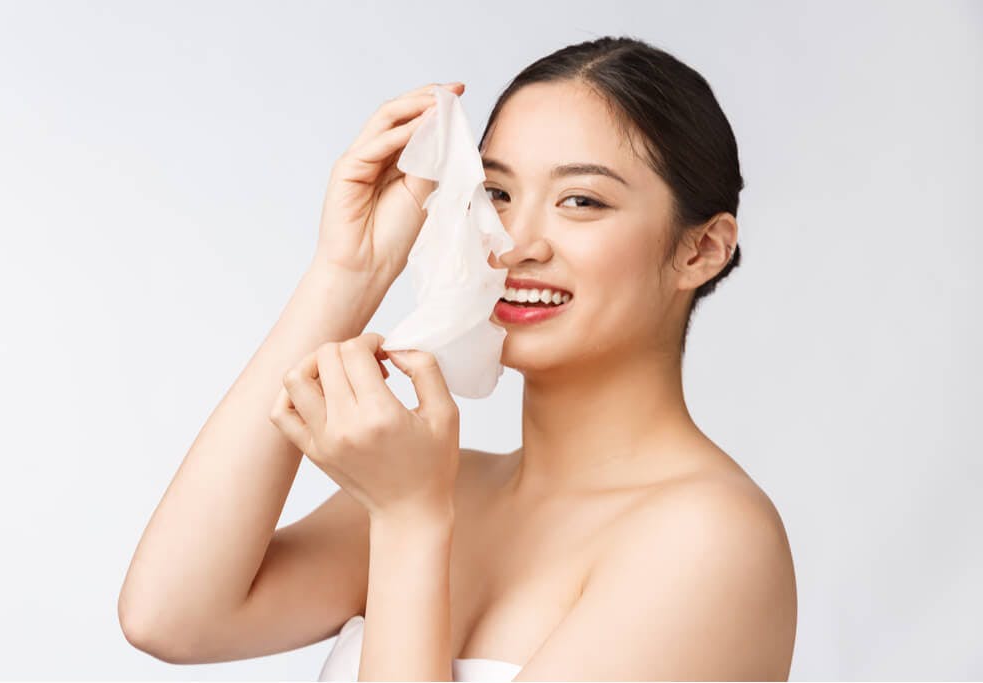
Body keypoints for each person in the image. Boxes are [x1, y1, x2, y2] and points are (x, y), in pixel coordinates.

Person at [118, 35, 797, 681]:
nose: (511, 243)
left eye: (580, 201)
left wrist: (410, 523)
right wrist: (348, 273)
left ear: (701, 249)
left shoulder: (712, 537)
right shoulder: (446, 487)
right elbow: (170, 615)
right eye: (496, 192)